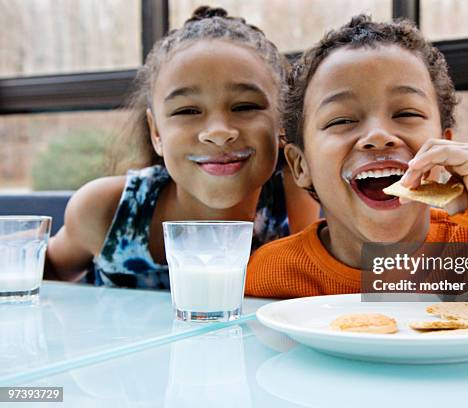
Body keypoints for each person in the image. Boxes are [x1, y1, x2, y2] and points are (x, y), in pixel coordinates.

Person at [245, 15, 468, 327]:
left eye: (406, 113)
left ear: (444, 145)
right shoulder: (272, 273)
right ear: (300, 165)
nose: (378, 136)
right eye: (342, 119)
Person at [45, 6, 319, 288]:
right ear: (156, 133)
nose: (219, 132)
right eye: (187, 111)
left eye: (245, 106)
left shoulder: (297, 192)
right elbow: (42, 271)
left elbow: (367, 278)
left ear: (282, 122)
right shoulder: (108, 210)